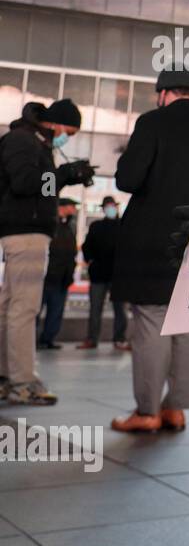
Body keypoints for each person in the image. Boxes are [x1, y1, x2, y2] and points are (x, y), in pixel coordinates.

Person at [110, 66, 189, 434]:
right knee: (186, 323)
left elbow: (128, 179)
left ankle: (147, 411)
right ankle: (175, 409)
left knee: (150, 320)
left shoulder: (152, 123)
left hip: (150, 241)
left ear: (163, 93)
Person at [0, 99, 92, 405]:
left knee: (11, 307)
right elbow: (25, 183)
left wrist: (68, 176)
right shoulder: (22, 141)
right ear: (54, 123)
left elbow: (46, 190)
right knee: (24, 308)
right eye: (69, 131)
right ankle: (23, 382)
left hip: (29, 230)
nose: (69, 137)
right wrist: (63, 174)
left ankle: (6, 376)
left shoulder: (37, 144)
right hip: (25, 232)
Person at [79, 196, 129, 350]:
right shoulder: (96, 226)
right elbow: (86, 246)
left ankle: (119, 339)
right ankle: (92, 339)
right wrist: (90, 261)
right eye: (108, 206)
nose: (110, 209)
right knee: (95, 309)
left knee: (121, 310)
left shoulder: (124, 226)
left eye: (112, 206)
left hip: (118, 276)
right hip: (99, 275)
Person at [36, 199, 79, 350]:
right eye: (71, 206)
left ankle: (47, 339)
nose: (74, 209)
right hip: (47, 277)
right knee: (36, 310)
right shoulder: (50, 225)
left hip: (63, 278)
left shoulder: (69, 226)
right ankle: (32, 340)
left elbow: (71, 253)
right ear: (62, 207)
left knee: (56, 311)